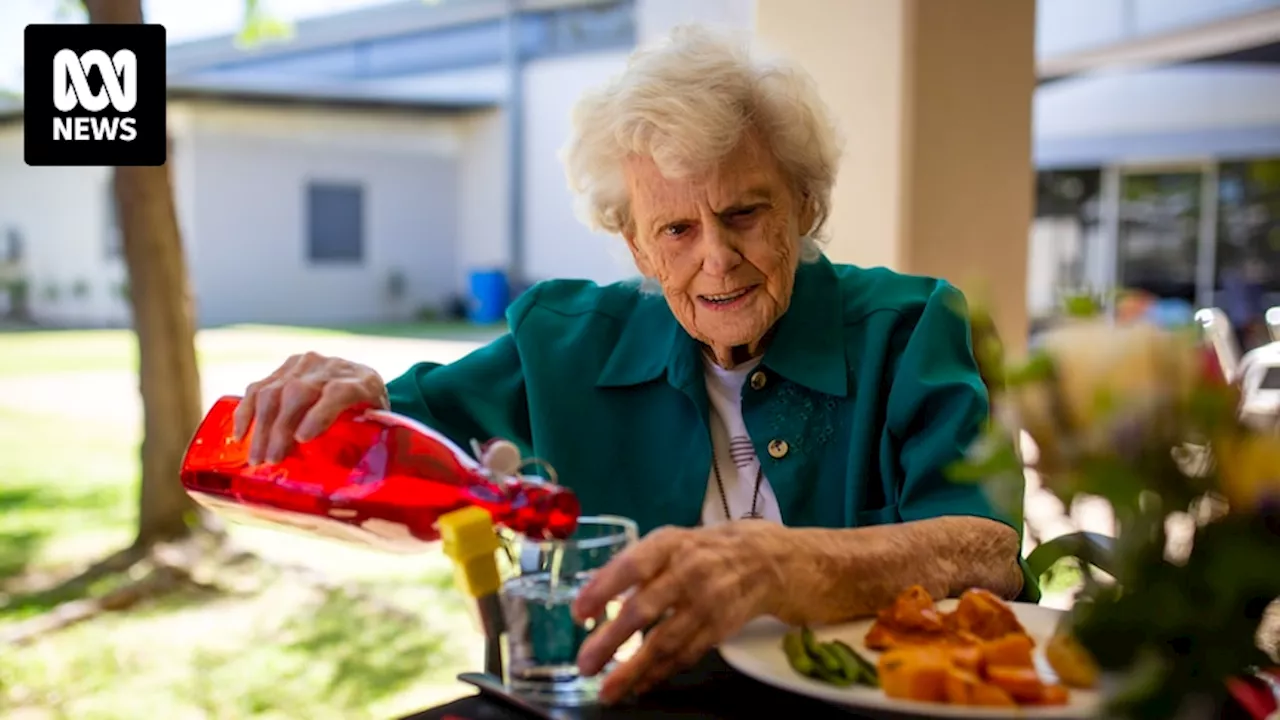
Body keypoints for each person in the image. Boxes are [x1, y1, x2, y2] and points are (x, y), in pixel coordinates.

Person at [233, 26, 1030, 704]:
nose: (717, 260)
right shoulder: (565, 345)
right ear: (635, 245)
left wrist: (783, 565)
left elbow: (989, 551)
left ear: (805, 206)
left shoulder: (911, 327)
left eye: (745, 213)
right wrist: (332, 394)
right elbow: (386, 441)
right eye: (677, 229)